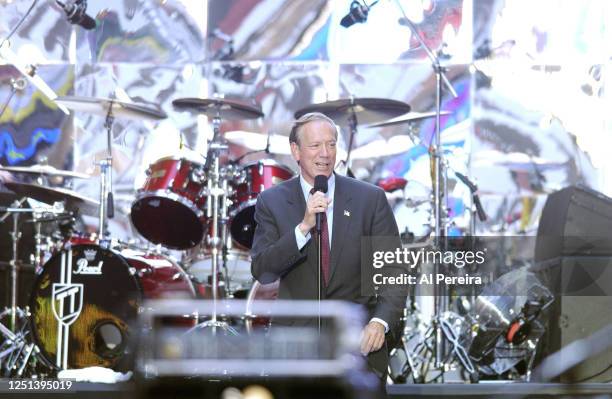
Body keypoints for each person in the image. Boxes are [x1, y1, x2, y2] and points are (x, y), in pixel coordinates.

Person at [250, 112, 406, 379]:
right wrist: (302, 229)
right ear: (295, 151)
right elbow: (263, 270)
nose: (325, 153)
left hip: (358, 349)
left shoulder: (370, 199)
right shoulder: (271, 201)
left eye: (331, 144)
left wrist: (379, 322)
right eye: (315, 146)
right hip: (295, 350)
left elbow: (394, 272)